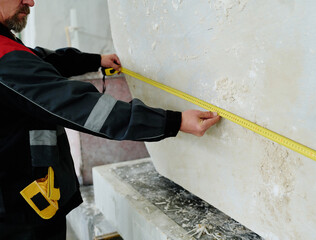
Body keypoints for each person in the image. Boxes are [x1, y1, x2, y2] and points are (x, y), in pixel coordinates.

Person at [0, 0, 220, 239]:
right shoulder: (5, 59)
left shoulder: (8, 49)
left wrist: (95, 60)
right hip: (18, 215)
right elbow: (85, 108)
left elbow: (38, 60)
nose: (30, 2)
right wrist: (173, 122)